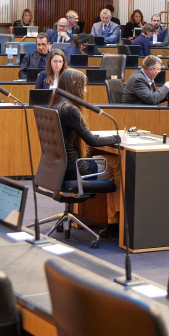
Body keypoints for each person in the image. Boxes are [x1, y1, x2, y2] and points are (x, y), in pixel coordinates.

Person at [50, 68, 121, 233]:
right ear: (75, 87)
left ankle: (113, 220)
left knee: (110, 161)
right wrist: (117, 138)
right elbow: (92, 141)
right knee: (118, 163)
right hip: (75, 169)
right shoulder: (70, 109)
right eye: (83, 86)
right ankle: (114, 223)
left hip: (58, 167)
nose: (85, 90)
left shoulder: (56, 104)